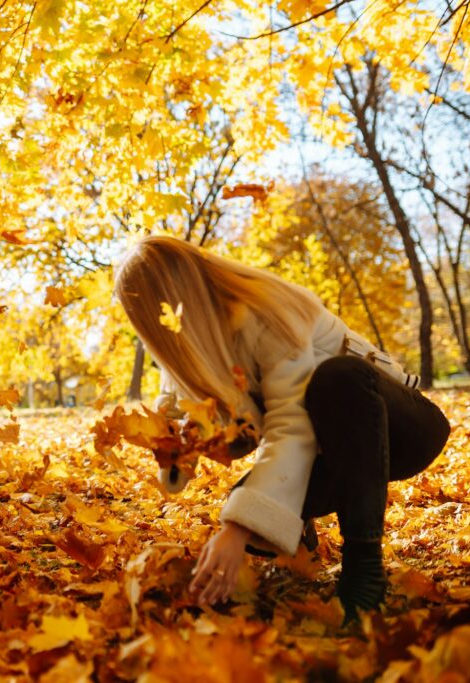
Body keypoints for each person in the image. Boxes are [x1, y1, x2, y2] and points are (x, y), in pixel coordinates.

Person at [114, 235, 450, 620]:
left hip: (398, 429)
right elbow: (236, 431)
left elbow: (293, 424)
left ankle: (364, 567)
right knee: (249, 509)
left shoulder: (263, 309)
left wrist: (237, 531)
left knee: (337, 378)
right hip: (332, 453)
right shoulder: (192, 349)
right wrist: (182, 448)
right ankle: (300, 549)